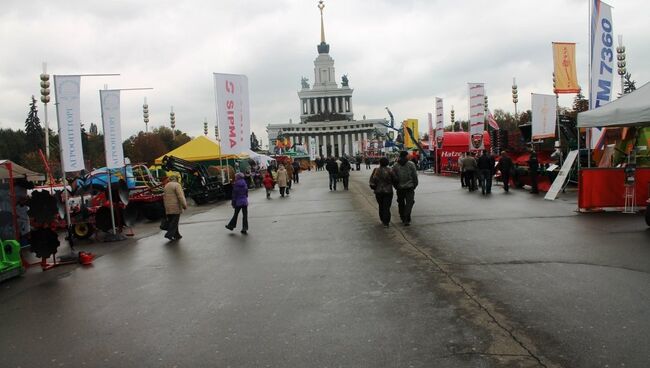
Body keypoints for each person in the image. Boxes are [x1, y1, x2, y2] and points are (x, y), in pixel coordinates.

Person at [369, 157, 398, 228]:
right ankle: (386, 222)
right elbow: (395, 180)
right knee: (386, 207)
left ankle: (382, 219)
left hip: (378, 192)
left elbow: (371, 181)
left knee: (381, 206)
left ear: (380, 163)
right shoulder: (390, 170)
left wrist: (375, 187)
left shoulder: (376, 170)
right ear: (387, 163)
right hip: (388, 191)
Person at [392, 151, 418, 226]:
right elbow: (414, 176)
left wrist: (396, 186)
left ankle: (403, 217)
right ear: (406, 156)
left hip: (400, 188)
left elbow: (393, 178)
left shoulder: (395, 165)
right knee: (410, 203)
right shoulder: (411, 164)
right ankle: (406, 217)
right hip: (409, 187)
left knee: (401, 203)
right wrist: (414, 185)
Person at [163, 175, 187, 241]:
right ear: (176, 179)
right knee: (174, 222)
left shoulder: (166, 185)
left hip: (168, 207)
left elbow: (164, 196)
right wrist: (184, 205)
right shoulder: (177, 185)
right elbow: (180, 196)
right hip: (175, 206)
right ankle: (169, 235)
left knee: (172, 221)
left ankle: (177, 235)